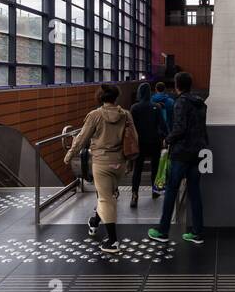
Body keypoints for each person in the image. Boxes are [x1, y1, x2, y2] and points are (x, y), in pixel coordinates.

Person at [64, 83, 136, 254]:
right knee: (108, 197)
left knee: (105, 200)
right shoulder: (126, 114)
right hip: (119, 163)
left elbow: (82, 138)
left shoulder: (95, 115)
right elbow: (134, 139)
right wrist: (131, 161)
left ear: (101, 97)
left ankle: (113, 241)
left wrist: (69, 155)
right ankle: (95, 222)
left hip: (102, 163)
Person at [148, 71, 208, 246]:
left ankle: (162, 230)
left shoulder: (181, 103)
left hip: (181, 154)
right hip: (198, 152)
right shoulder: (200, 103)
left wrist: (168, 139)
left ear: (177, 86)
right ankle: (197, 233)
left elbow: (180, 128)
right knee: (195, 193)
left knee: (171, 191)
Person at [129, 81, 166, 207]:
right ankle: (155, 191)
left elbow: (130, 127)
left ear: (139, 93)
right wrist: (165, 137)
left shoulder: (134, 108)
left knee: (137, 169)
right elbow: (162, 125)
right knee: (155, 168)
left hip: (140, 143)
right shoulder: (156, 107)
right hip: (155, 142)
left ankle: (134, 195)